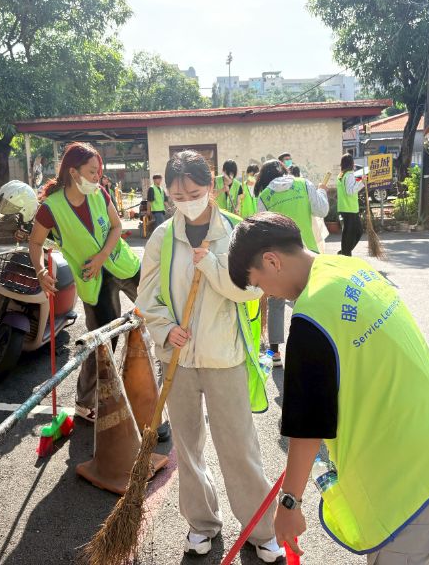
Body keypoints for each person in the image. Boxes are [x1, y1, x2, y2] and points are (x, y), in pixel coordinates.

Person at [227, 212, 429, 565]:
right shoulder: (350, 269)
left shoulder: (309, 318)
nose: (264, 297)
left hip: (409, 482)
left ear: (272, 261)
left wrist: (289, 503)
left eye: (258, 285)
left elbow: (307, 428)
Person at [135, 150, 283, 562]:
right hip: (178, 359)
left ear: (212, 187)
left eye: (195, 192)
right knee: (188, 446)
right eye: (177, 196)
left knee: (239, 448)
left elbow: (253, 290)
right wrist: (166, 328)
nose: (187, 201)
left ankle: (261, 529)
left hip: (226, 358)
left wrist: (215, 267)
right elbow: (147, 296)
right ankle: (202, 524)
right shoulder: (163, 237)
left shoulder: (237, 233)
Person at [29, 142, 140, 424]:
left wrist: (103, 255)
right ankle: (84, 402)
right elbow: (36, 242)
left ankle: (164, 373)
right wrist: (41, 271)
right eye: (92, 172)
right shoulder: (50, 209)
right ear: (73, 171)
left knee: (159, 311)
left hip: (123, 266)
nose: (97, 177)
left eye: (99, 172)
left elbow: (116, 227)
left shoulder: (100, 194)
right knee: (102, 343)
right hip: (94, 282)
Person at [256, 160, 328, 366]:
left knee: (276, 303)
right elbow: (322, 210)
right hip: (307, 255)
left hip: (278, 259)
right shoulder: (303, 184)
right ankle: (309, 348)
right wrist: (322, 192)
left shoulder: (265, 196)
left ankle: (275, 352)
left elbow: (262, 229)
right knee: (307, 302)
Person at [337, 154, 364, 256]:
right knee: (358, 232)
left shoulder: (341, 176)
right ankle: (346, 252)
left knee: (347, 233)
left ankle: (345, 252)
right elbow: (350, 191)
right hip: (350, 209)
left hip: (344, 207)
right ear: (351, 163)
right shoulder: (349, 175)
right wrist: (362, 183)